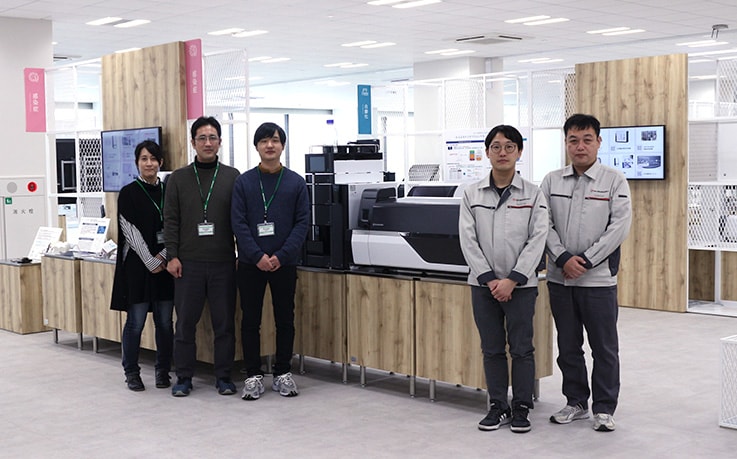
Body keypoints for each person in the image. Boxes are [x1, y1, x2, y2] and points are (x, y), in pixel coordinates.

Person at [541, 113, 632, 432]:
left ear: (598, 142)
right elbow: (543, 224)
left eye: (587, 140)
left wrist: (586, 261)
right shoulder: (552, 180)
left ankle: (604, 408)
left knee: (604, 347)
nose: (580, 146)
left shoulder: (614, 180)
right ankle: (576, 402)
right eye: (573, 140)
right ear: (566, 143)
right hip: (559, 279)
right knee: (568, 345)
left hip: (598, 281)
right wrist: (563, 257)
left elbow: (618, 227)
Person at [459, 125, 548, 433]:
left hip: (521, 287)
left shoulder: (534, 193)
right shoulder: (472, 193)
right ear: (487, 153)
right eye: (496, 147)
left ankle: (521, 407)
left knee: (522, 348)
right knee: (492, 348)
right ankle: (498, 404)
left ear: (519, 152)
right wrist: (489, 279)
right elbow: (467, 239)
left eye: (509, 147)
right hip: (482, 286)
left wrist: (512, 279)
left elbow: (538, 239)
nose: (502, 153)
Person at [231, 122, 309, 400]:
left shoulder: (296, 182)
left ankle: (282, 373)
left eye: (275, 140)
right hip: (252, 264)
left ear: (282, 145)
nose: (270, 145)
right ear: (256, 146)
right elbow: (238, 223)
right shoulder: (244, 182)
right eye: (264, 141)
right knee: (250, 320)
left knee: (285, 319)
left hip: (284, 263)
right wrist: (257, 256)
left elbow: (302, 223)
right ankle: (253, 374)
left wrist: (280, 256)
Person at [163, 116, 240, 397]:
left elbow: (239, 220)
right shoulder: (178, 178)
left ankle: (224, 377)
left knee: (224, 324)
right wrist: (171, 255)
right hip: (188, 263)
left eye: (213, 138)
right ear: (193, 142)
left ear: (220, 142)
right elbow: (170, 220)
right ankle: (183, 377)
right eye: (202, 138)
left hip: (223, 263)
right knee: (184, 324)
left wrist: (239, 254)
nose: (208, 143)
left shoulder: (232, 176)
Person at [111, 140, 174, 391]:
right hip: (138, 267)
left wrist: (164, 256)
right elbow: (128, 229)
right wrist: (150, 260)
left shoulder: (170, 190)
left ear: (161, 162)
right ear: (137, 162)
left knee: (165, 322)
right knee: (135, 322)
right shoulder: (129, 192)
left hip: (166, 266)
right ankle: (132, 372)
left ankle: (162, 370)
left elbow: (176, 227)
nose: (149, 163)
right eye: (144, 159)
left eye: (153, 158)